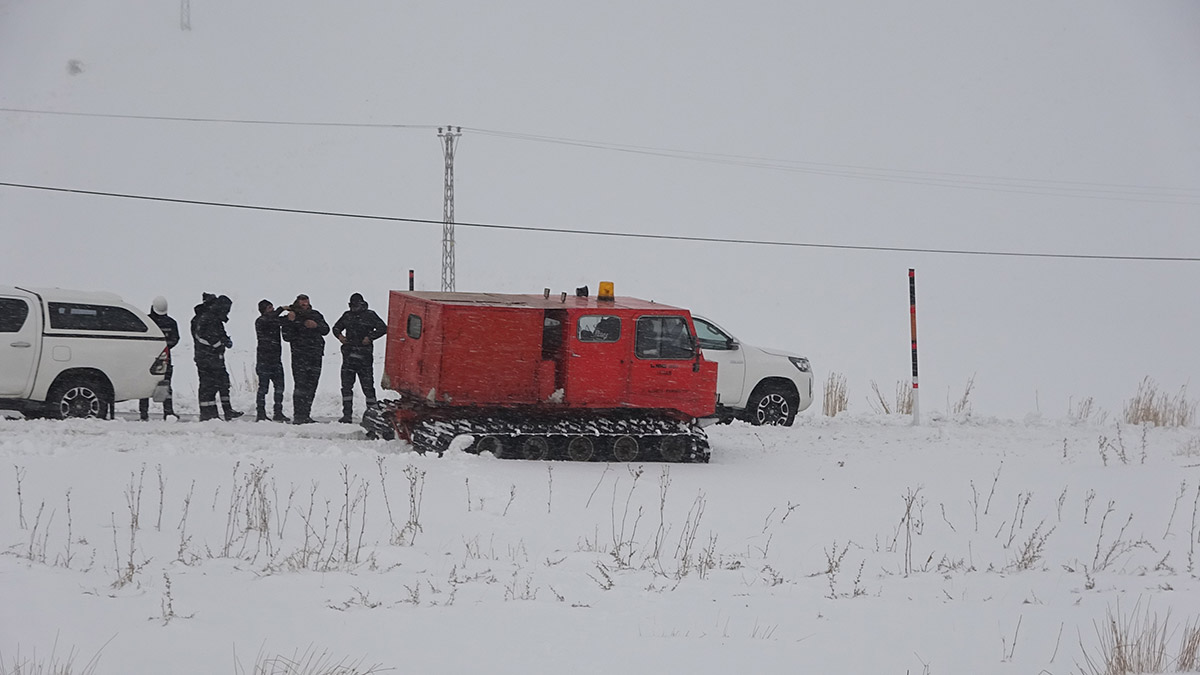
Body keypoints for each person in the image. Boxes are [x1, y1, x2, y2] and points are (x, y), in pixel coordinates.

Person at [332, 293, 387, 423]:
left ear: (361, 304)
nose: (353, 308)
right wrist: (340, 336)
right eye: (351, 306)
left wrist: (370, 337)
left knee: (368, 387)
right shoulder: (347, 315)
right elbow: (335, 328)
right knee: (346, 387)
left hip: (364, 357)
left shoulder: (370, 315)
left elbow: (383, 328)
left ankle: (373, 416)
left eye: (355, 306)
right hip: (349, 357)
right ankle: (347, 415)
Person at [193, 294, 244, 421]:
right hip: (207, 359)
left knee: (223, 383)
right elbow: (202, 338)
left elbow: (221, 334)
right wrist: (217, 344)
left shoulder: (215, 319)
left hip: (216, 358)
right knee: (208, 387)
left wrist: (226, 341)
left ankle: (226, 411)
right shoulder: (205, 318)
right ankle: (208, 414)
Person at [282, 294, 329, 424]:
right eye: (302, 302)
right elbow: (286, 336)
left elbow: (326, 329)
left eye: (306, 301)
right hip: (299, 356)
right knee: (300, 386)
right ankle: (298, 415)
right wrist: (291, 322)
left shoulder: (315, 314)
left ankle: (306, 414)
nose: (304, 304)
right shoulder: (292, 317)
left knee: (312, 386)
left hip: (315, 355)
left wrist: (316, 326)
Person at [139, 296, 180, 420]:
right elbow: (175, 339)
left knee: (144, 385)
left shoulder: (146, 321)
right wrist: (164, 349)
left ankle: (144, 413)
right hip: (165, 358)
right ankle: (168, 412)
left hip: (147, 358)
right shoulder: (171, 322)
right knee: (165, 384)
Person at [254, 299, 290, 422]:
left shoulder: (274, 320)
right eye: (270, 308)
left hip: (275, 360)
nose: (273, 309)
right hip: (264, 361)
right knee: (263, 388)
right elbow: (271, 319)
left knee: (280, 387)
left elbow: (282, 321)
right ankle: (261, 413)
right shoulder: (261, 321)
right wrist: (282, 309)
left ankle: (278, 412)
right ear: (263, 310)